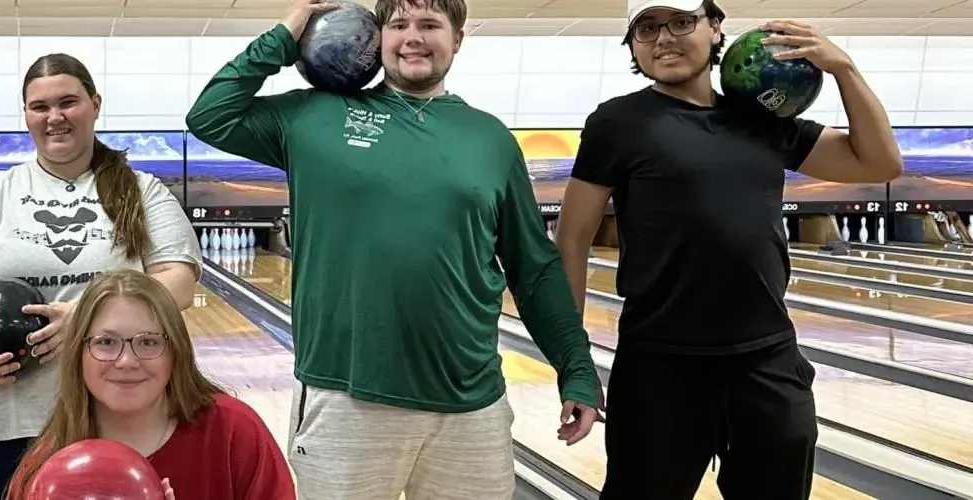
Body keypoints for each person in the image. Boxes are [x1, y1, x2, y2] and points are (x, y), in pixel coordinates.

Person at [184, 0, 604, 498]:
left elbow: (533, 267)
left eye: (430, 25)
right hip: (345, 398)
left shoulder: (490, 139)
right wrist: (286, 34)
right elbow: (210, 115)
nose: (413, 38)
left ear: (459, 39)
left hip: (471, 405)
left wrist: (577, 369)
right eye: (398, 25)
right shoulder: (314, 115)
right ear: (375, 37)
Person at [554, 1, 903, 498]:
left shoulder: (762, 116)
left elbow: (878, 163)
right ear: (632, 44)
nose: (664, 39)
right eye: (646, 29)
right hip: (659, 366)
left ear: (716, 29)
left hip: (767, 361)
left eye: (681, 22)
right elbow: (571, 238)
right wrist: (575, 363)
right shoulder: (617, 122)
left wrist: (843, 68)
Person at [0, 53, 202, 500]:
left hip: (111, 415)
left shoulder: (144, 191)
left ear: (95, 104)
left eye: (68, 102)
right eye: (40, 107)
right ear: (26, 114)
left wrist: (88, 319)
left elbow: (177, 281)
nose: (55, 117)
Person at [5, 269, 295, 500]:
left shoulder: (235, 432)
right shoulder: (48, 463)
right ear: (79, 353)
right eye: (106, 342)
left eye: (148, 342)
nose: (126, 360)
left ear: (175, 351)